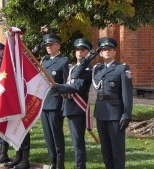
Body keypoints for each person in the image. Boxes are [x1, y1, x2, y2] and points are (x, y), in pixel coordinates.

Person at [92, 37, 133, 169]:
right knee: (106, 151)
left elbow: (127, 94)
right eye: (104, 49)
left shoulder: (121, 69)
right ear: (100, 53)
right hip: (101, 113)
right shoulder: (97, 69)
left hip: (115, 114)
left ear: (115, 52)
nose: (107, 51)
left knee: (117, 151)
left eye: (109, 49)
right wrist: (88, 58)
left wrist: (126, 114)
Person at [56, 38, 93, 169]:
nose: (79, 52)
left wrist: (60, 86)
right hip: (70, 107)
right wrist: (63, 89)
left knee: (78, 142)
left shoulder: (87, 70)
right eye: (77, 50)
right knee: (74, 141)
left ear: (88, 52)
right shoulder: (73, 68)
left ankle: (80, 167)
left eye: (82, 50)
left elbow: (78, 87)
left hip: (78, 108)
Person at [40, 33, 70, 169]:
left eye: (51, 44)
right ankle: (52, 160)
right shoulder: (44, 61)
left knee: (56, 135)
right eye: (47, 45)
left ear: (58, 45)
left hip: (55, 103)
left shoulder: (64, 61)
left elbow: (66, 84)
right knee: (48, 135)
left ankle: (59, 163)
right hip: (44, 103)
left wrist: (64, 103)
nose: (49, 47)